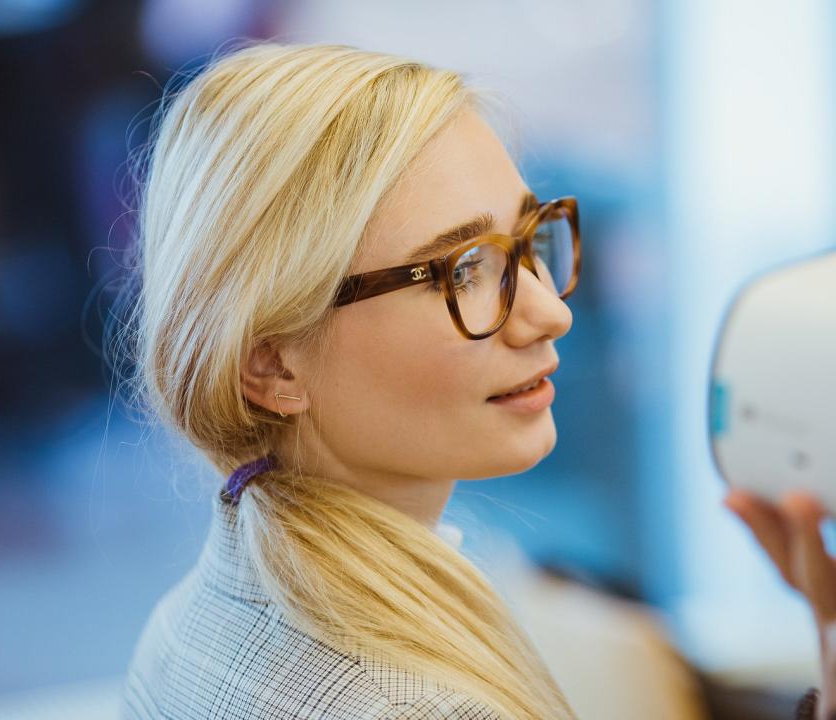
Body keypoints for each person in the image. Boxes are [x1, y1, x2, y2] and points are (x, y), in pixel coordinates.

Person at [114, 40, 832, 719]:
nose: (550, 311)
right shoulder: (423, 703)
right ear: (271, 364)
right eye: (462, 269)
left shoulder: (188, 618)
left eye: (528, 239)